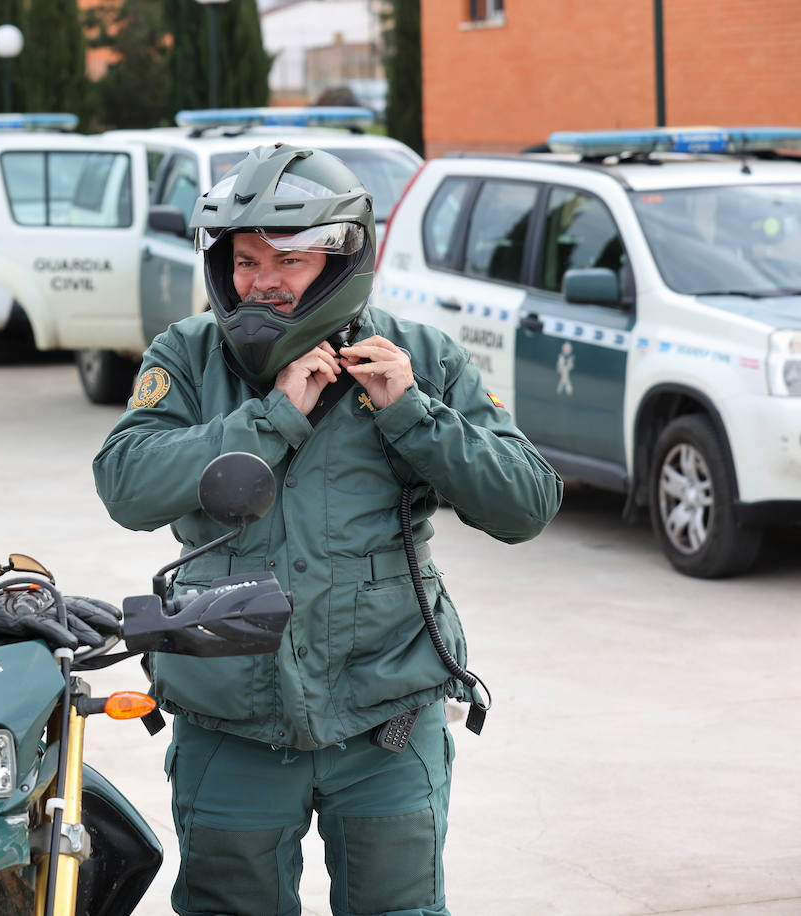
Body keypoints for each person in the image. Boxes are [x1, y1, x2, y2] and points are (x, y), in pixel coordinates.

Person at [92, 144, 564, 916]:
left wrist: (414, 415)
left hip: (386, 717)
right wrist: (271, 417)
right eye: (245, 260)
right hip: (231, 718)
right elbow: (127, 484)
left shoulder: (421, 358)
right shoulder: (188, 355)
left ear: (343, 261)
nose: (262, 281)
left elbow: (526, 503)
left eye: (289, 259)